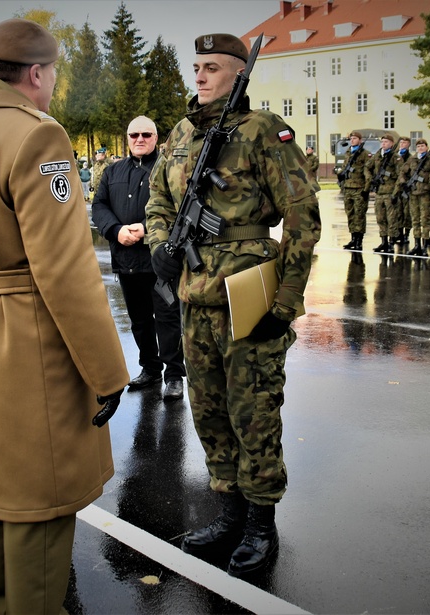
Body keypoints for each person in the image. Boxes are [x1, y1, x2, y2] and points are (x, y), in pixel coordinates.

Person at [0, 19, 129, 614]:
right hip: (29, 339)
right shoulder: (41, 140)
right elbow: (65, 268)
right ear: (35, 73)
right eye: (53, 73)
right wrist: (107, 372)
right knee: (39, 492)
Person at [146, 33, 321, 576]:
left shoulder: (263, 130)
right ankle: (227, 512)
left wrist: (286, 302)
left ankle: (260, 524)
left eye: (212, 68)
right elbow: (158, 200)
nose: (199, 76)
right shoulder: (178, 134)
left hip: (248, 294)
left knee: (255, 414)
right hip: (194, 297)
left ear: (237, 73)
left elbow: (302, 218)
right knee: (210, 413)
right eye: (196, 67)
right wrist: (158, 246)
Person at [92, 116, 186, 400]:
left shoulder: (169, 169)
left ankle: (173, 375)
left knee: (168, 317)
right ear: (128, 137)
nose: (140, 139)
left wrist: (148, 229)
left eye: (146, 134)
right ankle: (150, 369)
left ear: (156, 138)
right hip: (127, 259)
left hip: (160, 260)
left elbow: (180, 207)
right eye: (134, 135)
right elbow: (100, 205)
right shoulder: (113, 171)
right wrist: (116, 230)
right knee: (140, 319)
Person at [399, 138, 430, 256]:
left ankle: (425, 246)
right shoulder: (412, 159)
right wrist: (404, 182)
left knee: (425, 220)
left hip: (425, 194)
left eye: (422, 146)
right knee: (415, 219)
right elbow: (403, 172)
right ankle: (417, 245)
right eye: (418, 146)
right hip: (413, 193)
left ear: (427, 147)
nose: (420, 148)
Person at [368, 133, 403, 253]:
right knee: (380, 217)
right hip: (379, 192)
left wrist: (396, 192)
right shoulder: (378, 155)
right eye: (382, 142)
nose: (384, 144)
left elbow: (400, 176)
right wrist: (371, 178)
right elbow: (367, 167)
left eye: (386, 142)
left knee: (391, 218)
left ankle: (391, 242)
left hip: (390, 192)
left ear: (392, 144)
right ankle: (383, 242)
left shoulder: (395, 157)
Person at [340, 130, 373, 251]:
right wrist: (340, 175)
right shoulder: (348, 152)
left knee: (359, 215)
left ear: (360, 140)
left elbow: (369, 173)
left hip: (359, 188)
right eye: (351, 139)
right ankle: (353, 238)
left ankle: (359, 240)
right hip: (348, 188)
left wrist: (366, 189)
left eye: (354, 138)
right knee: (350, 214)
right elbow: (344, 167)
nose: (352, 140)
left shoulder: (365, 154)